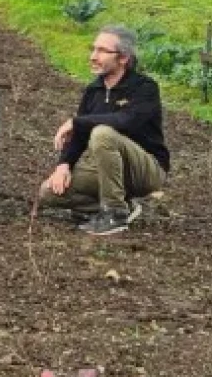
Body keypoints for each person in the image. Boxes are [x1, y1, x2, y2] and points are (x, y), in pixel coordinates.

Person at [40, 25, 169, 236]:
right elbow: (79, 137)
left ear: (123, 57)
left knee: (102, 133)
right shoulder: (94, 91)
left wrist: (77, 122)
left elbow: (126, 121)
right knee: (48, 192)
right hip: (107, 169)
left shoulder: (145, 88)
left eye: (102, 51)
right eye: (93, 49)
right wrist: (64, 165)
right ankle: (122, 206)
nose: (93, 56)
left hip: (146, 168)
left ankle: (114, 214)